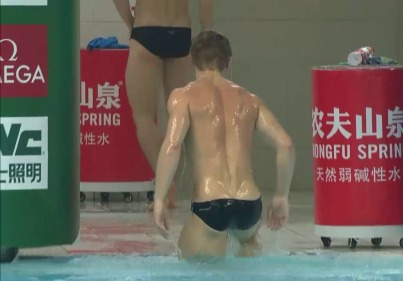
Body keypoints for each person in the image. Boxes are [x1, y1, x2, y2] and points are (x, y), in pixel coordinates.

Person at [153, 30, 296, 259]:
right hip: (249, 206)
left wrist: (159, 199)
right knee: (245, 263)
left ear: (192, 60)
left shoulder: (183, 97)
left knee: (188, 266)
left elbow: (172, 146)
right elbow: (286, 145)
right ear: (228, 61)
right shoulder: (250, 100)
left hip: (210, 205)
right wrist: (281, 196)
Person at [112, 0, 214, 208]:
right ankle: (173, 186)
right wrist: (207, 32)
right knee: (180, 119)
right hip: (181, 32)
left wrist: (131, 23)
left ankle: (167, 184)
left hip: (147, 29)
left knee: (143, 118)